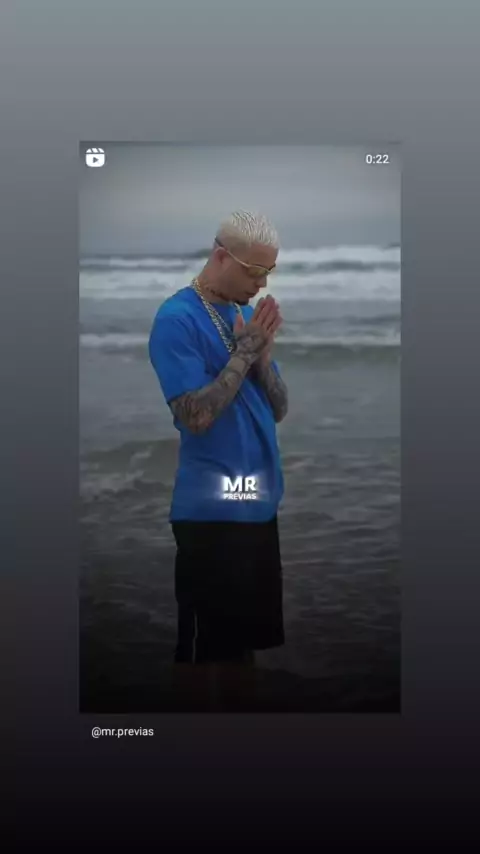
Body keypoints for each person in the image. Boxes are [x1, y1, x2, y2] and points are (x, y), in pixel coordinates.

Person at [148, 210, 288, 711]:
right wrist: (244, 354)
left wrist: (262, 359)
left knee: (242, 648)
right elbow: (196, 417)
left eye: (270, 271)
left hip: (257, 503)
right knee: (203, 651)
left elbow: (279, 408)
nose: (262, 283)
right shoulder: (177, 319)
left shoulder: (239, 316)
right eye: (254, 270)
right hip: (210, 509)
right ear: (221, 256)